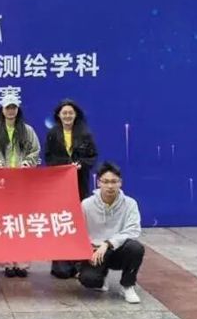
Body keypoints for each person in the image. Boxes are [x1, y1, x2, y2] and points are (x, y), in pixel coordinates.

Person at [0, 93, 40, 278]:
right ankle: (7, 262)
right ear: (2, 110)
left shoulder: (28, 130)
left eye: (13, 107)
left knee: (22, 223)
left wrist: (28, 163)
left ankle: (22, 263)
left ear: (18, 109)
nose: (10, 111)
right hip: (2, 185)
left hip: (23, 184)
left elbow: (35, 151)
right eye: (8, 107)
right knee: (6, 223)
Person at [45, 99, 98, 280]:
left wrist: (80, 164)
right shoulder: (53, 134)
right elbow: (49, 158)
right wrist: (65, 165)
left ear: (76, 115)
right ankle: (61, 264)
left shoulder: (85, 133)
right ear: (58, 115)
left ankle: (80, 263)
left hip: (80, 183)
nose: (67, 116)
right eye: (64, 113)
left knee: (79, 220)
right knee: (62, 220)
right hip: (60, 184)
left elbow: (93, 156)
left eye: (70, 113)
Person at [77, 161, 144, 304]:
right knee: (89, 280)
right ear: (98, 182)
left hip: (118, 250)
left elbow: (133, 229)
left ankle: (127, 285)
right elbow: (79, 231)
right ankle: (101, 277)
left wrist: (108, 243)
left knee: (136, 248)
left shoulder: (130, 203)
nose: (110, 186)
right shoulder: (86, 204)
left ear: (120, 183)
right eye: (105, 181)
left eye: (114, 182)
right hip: (95, 252)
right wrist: (88, 250)